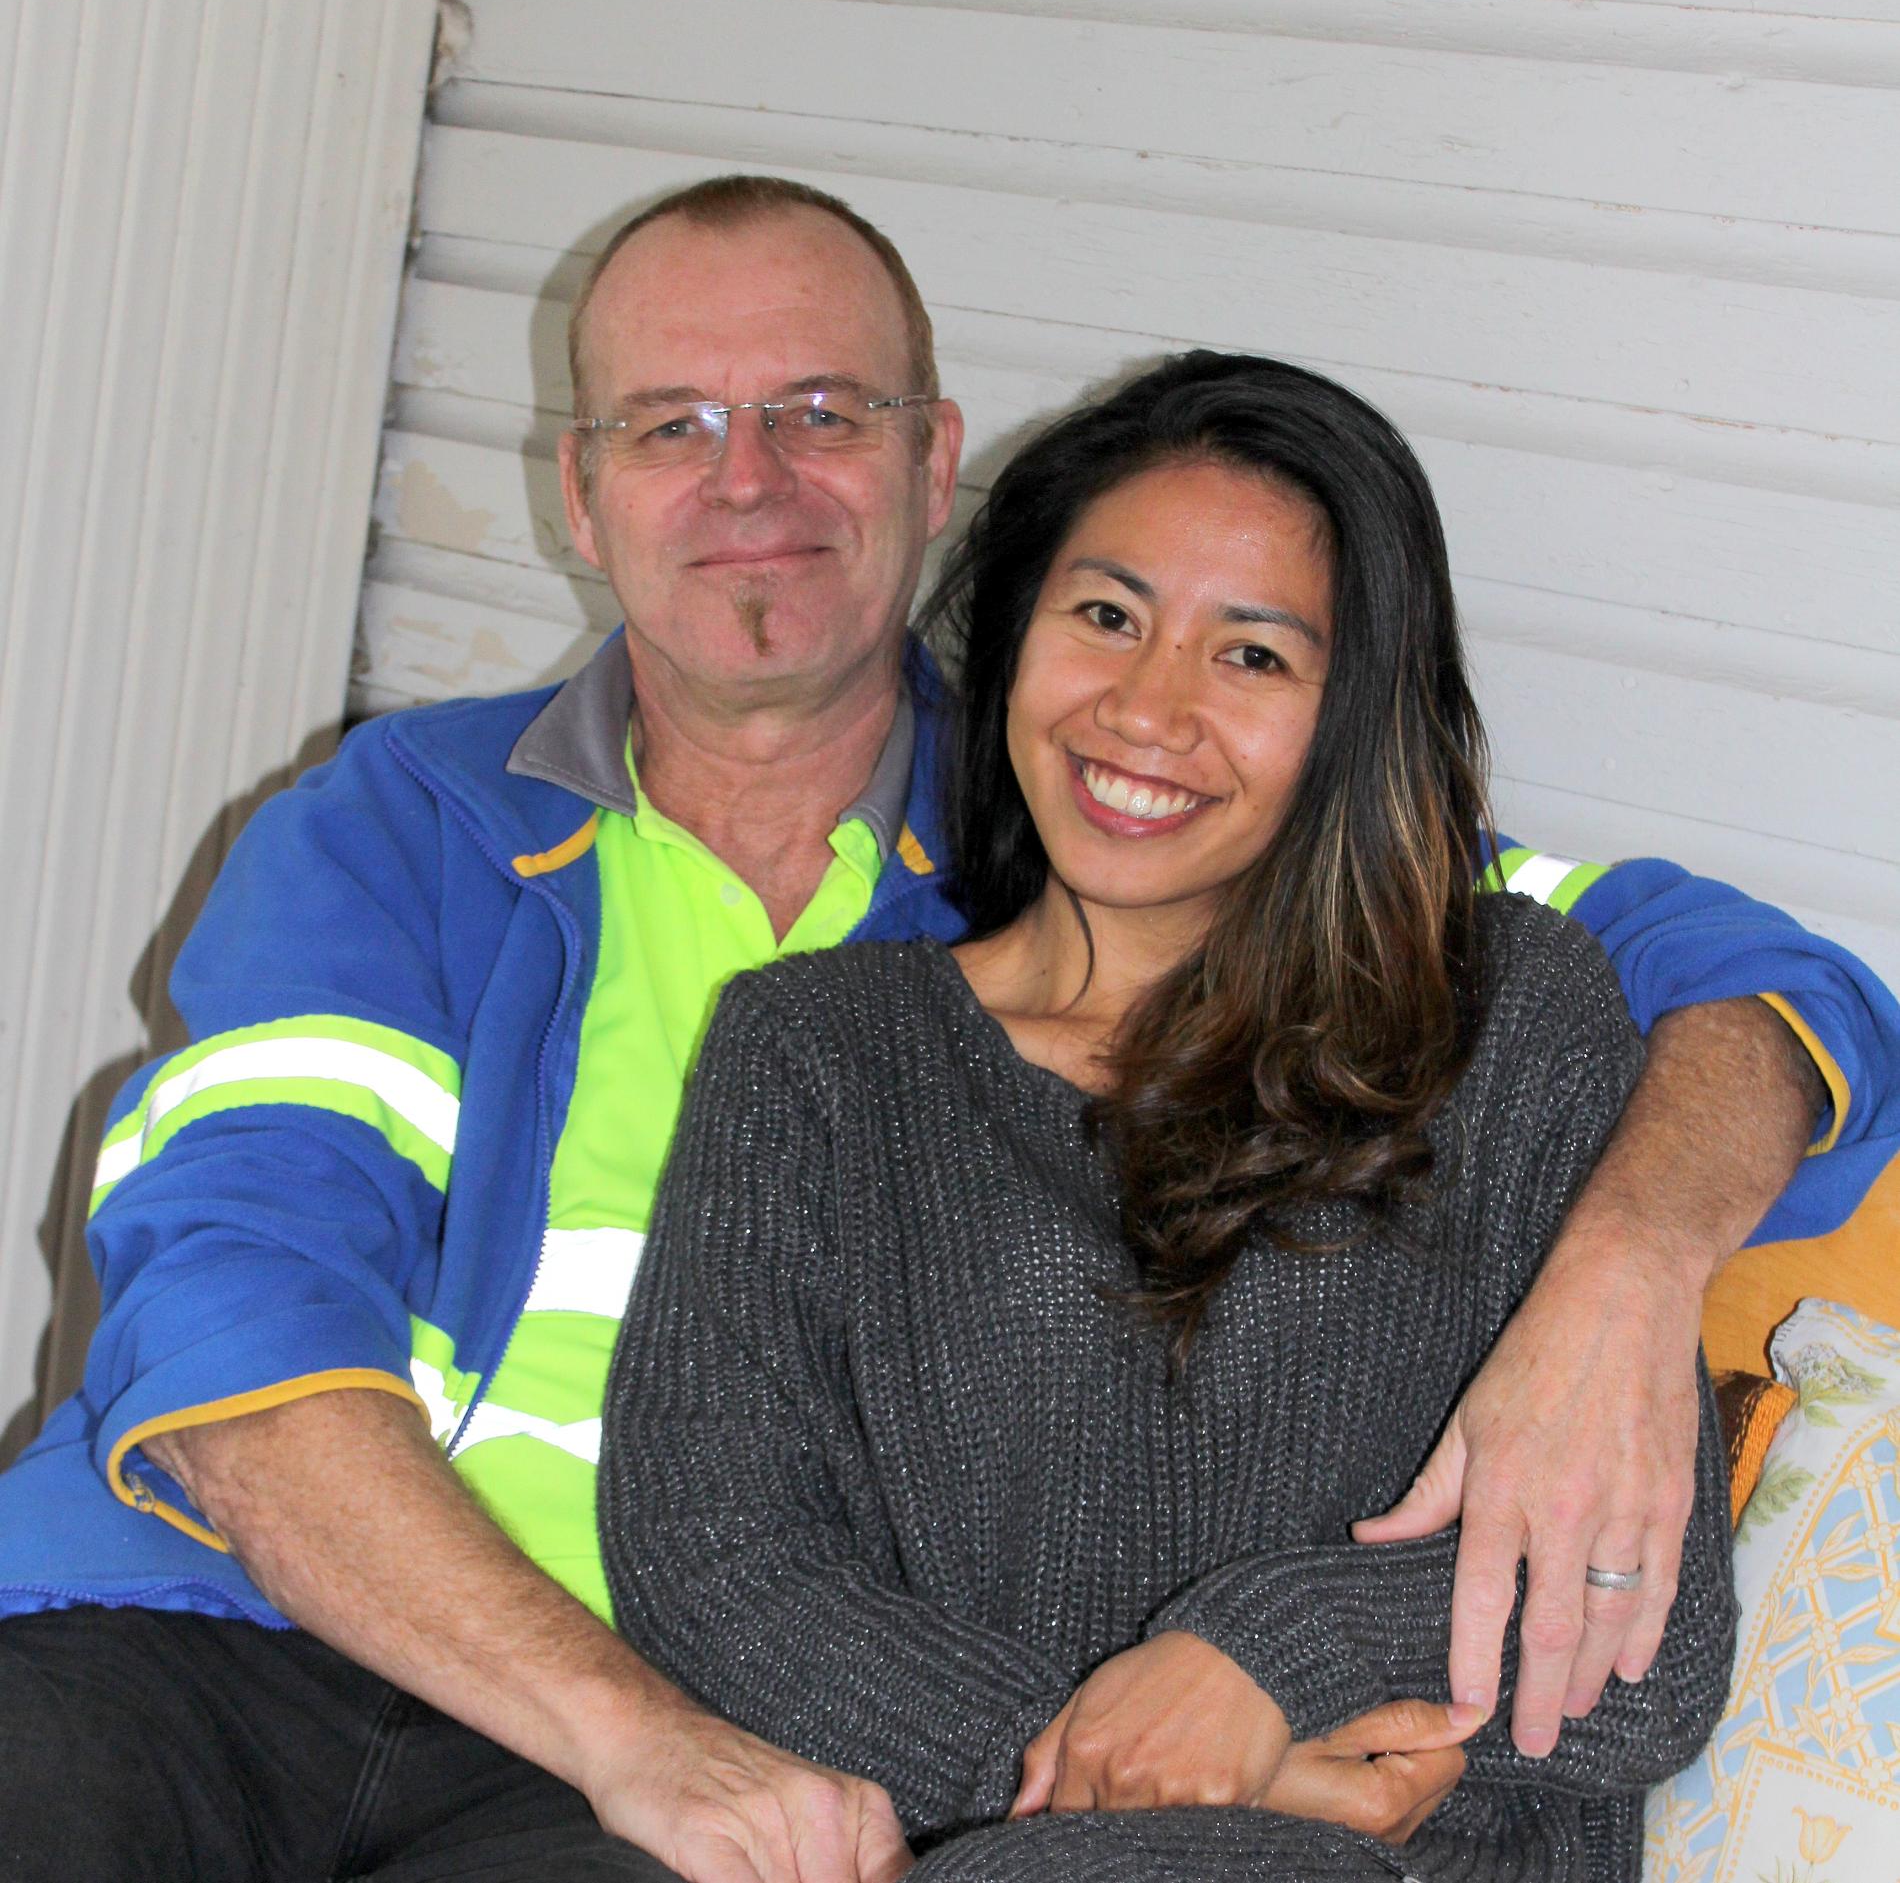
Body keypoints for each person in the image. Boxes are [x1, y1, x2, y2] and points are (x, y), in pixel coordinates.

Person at [0, 176, 1887, 1882]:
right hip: (231, 1635)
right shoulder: (397, 831)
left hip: (715, 1782)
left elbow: (1735, 980)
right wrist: (644, 1732)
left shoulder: (1114, 810)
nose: (751, 480)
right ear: (580, 491)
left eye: (821, 414)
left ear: (931, 461)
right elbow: (233, 1306)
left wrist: (1635, 1265)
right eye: (676, 424)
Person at [600, 351, 1743, 1880]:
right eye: (1108, 616)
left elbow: (1649, 1654)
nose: (1148, 708)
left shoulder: (1509, 1013)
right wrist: (1123, 1762)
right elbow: (714, 1568)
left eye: (1254, 657)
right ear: (1013, 635)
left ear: (1355, 716)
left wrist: (1266, 1661)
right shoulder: (818, 1056)